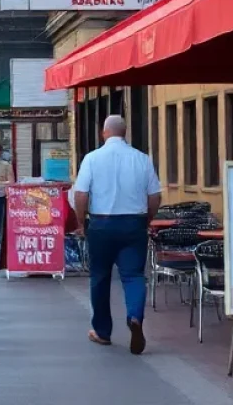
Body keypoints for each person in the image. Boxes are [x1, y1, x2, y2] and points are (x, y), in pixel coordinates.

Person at [73, 114, 161, 355]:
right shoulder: (142, 159)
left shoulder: (92, 159)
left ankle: (102, 332)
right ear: (125, 133)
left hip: (101, 224)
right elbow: (155, 196)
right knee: (133, 276)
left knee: (100, 277)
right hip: (134, 224)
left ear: (104, 133)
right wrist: (147, 218)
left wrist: (82, 222)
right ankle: (135, 317)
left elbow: (80, 194)